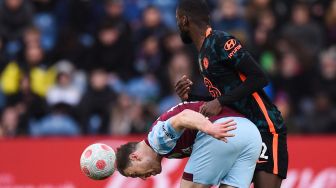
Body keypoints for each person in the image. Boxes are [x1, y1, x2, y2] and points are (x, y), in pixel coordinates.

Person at [174, 0, 288, 188]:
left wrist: (219, 101)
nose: (177, 24)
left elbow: (259, 77)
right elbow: (223, 98)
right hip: (241, 132)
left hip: (265, 127)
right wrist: (190, 98)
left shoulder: (221, 41)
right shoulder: (202, 54)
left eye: (178, 19)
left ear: (185, 20)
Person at [116, 101, 262, 188]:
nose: (143, 178)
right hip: (251, 134)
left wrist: (209, 128)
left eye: (135, 174)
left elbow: (184, 116)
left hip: (222, 130)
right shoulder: (163, 147)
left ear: (135, 157)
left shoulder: (156, 140)